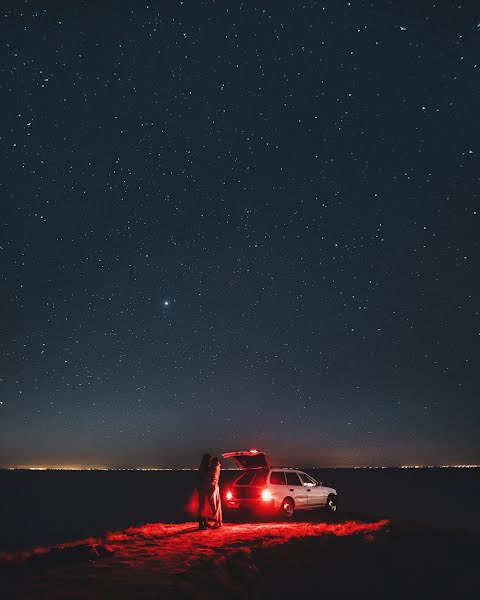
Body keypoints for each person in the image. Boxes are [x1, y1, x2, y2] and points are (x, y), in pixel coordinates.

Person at [196, 453, 212, 530]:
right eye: (209, 460)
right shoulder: (203, 468)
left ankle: (205, 522)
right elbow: (205, 477)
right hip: (202, 489)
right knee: (202, 506)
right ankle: (201, 524)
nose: (210, 461)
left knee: (205, 506)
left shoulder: (205, 467)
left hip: (204, 489)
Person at [207, 457, 222, 528]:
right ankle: (219, 521)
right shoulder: (218, 467)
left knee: (214, 504)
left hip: (212, 487)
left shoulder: (213, 468)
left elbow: (211, 477)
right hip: (216, 486)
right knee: (218, 504)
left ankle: (216, 521)